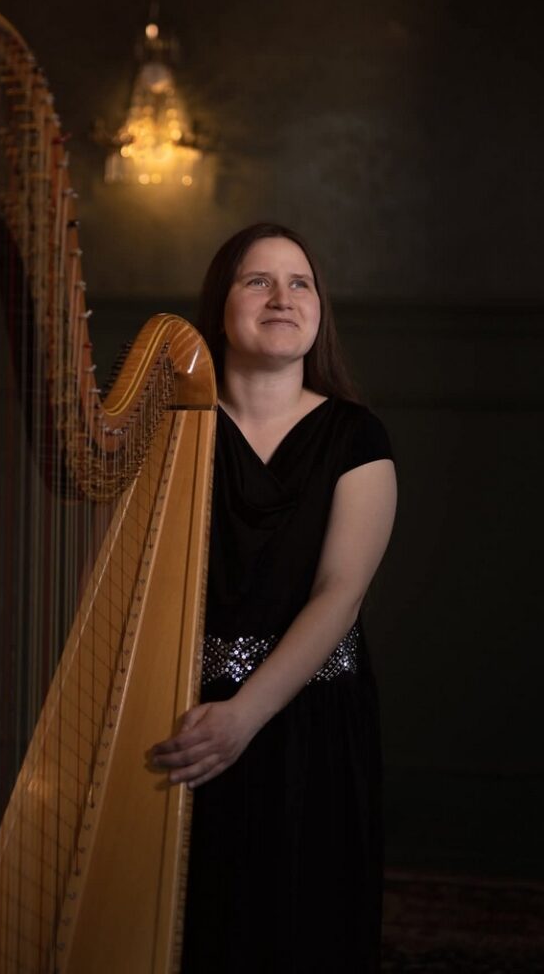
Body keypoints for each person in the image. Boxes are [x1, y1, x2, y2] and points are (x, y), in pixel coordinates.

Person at [151, 222, 397, 972]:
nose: (282, 297)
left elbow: (339, 595)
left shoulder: (356, 436)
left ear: (319, 310)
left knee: (301, 932)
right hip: (185, 714)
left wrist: (243, 717)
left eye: (300, 283)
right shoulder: (168, 435)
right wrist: (214, 721)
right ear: (219, 304)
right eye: (257, 280)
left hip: (310, 721)